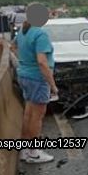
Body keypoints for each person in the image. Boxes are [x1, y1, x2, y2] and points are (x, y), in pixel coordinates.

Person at [13, 20, 58, 163]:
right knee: (37, 116)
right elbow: (42, 62)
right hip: (38, 79)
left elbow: (13, 46)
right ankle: (34, 153)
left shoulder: (23, 31)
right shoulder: (40, 34)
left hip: (24, 75)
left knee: (29, 113)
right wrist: (53, 85)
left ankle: (25, 150)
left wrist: (24, 62)